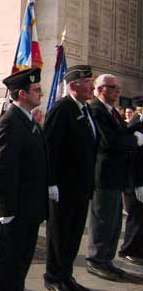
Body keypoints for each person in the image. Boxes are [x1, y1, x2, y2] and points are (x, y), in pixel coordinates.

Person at [0, 68, 49, 291]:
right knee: (7, 264)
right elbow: (4, 170)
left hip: (29, 208)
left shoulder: (29, 120)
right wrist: (6, 210)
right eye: (36, 90)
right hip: (13, 210)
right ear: (22, 94)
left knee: (21, 262)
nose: (40, 93)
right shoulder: (10, 122)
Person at [43, 65, 98, 291]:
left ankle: (66, 276)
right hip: (63, 187)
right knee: (60, 234)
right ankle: (53, 277)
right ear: (74, 85)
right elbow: (50, 148)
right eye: (88, 82)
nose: (91, 86)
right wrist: (51, 182)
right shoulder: (62, 109)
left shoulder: (87, 109)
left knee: (74, 234)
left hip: (81, 187)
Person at [85, 74, 143, 281]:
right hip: (104, 175)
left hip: (117, 175)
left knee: (114, 222)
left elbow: (121, 133)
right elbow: (109, 141)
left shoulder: (111, 112)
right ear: (100, 90)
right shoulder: (96, 110)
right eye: (113, 88)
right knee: (102, 221)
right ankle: (96, 260)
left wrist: (135, 127)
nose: (118, 91)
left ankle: (107, 260)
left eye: (118, 88)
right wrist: (135, 139)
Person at [118, 96, 143, 266]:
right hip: (135, 181)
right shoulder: (136, 125)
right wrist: (138, 183)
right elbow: (134, 158)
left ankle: (137, 250)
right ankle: (129, 250)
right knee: (136, 217)